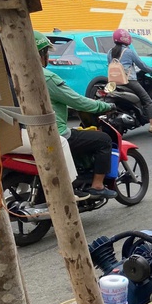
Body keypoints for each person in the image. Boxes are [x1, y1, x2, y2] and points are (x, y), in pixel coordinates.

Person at [36, 31, 117, 198]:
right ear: (40, 54)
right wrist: (103, 106)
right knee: (103, 140)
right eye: (47, 52)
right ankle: (97, 185)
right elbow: (77, 101)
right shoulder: (47, 78)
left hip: (28, 134)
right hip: (56, 133)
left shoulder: (15, 76)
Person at [107, 28, 152, 136]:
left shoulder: (110, 52)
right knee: (148, 100)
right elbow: (142, 65)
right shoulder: (129, 52)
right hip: (129, 81)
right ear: (127, 39)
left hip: (113, 82)